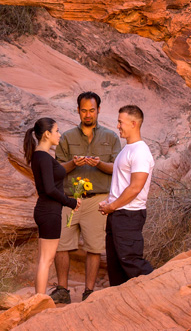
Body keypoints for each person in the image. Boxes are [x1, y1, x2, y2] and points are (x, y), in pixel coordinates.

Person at [51, 92, 121, 303]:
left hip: (97, 200)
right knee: (61, 244)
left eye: (92, 110)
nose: (88, 114)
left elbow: (117, 168)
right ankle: (62, 290)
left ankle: (88, 292)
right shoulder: (67, 137)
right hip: (70, 199)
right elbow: (57, 169)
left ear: (98, 110)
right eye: (84, 110)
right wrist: (73, 164)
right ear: (78, 111)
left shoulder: (110, 137)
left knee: (94, 246)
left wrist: (99, 163)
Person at [24, 117, 81, 295]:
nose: (59, 134)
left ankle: (38, 299)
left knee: (43, 259)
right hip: (49, 212)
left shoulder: (39, 156)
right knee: (46, 261)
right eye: (57, 131)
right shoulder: (44, 157)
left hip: (44, 210)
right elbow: (49, 188)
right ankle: (39, 301)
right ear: (47, 134)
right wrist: (70, 202)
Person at [98, 105, 154, 286]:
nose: (118, 126)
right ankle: (120, 303)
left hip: (129, 214)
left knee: (130, 260)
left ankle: (158, 289)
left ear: (134, 123)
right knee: (115, 263)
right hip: (117, 213)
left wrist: (112, 206)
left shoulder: (140, 151)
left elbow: (136, 187)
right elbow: (122, 183)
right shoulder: (127, 150)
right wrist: (109, 201)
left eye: (121, 122)